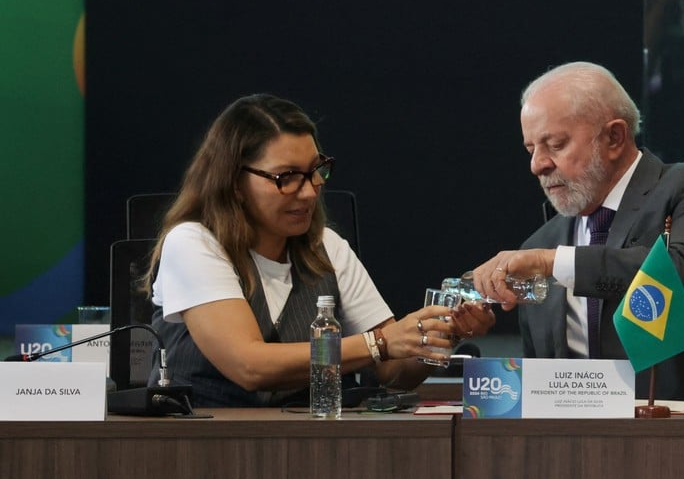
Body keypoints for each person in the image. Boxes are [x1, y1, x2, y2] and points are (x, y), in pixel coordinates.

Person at [145, 93, 494, 407]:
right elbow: (248, 365)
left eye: (316, 171)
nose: (310, 192)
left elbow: (394, 373)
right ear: (235, 182)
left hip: (314, 445)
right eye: (287, 177)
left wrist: (437, 334)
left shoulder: (327, 247)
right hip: (204, 446)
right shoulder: (193, 242)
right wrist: (379, 342)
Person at [471, 61, 684, 402]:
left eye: (555, 144)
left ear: (614, 137)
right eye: (531, 150)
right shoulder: (541, 244)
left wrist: (553, 262)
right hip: (583, 442)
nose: (537, 165)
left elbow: (680, 273)